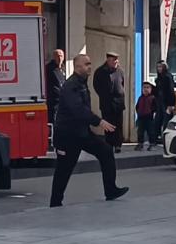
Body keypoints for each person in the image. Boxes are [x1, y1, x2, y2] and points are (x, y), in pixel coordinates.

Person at [49, 54, 130, 208]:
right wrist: (99, 121)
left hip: (82, 132)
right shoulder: (71, 85)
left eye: (90, 63)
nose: (90, 67)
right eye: (86, 64)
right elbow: (78, 110)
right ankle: (55, 202)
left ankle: (110, 190)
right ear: (77, 67)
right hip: (67, 135)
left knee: (106, 151)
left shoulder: (82, 83)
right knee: (64, 168)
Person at [93, 51, 126, 153]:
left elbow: (122, 84)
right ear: (108, 60)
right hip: (106, 103)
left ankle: (118, 145)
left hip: (118, 103)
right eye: (114, 60)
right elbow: (96, 86)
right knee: (108, 124)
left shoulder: (120, 71)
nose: (116, 62)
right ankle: (109, 144)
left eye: (117, 60)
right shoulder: (100, 71)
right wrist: (104, 96)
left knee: (118, 124)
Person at [153, 61, 176, 145]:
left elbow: (170, 91)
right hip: (159, 101)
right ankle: (156, 138)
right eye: (158, 67)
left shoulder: (167, 77)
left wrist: (171, 104)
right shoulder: (159, 78)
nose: (159, 69)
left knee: (166, 120)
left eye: (161, 67)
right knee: (158, 120)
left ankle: (166, 138)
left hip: (167, 102)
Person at [45, 49, 65, 126]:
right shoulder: (49, 68)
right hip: (53, 101)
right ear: (54, 57)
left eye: (61, 56)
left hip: (62, 101)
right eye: (58, 56)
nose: (59, 58)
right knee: (53, 120)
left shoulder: (63, 68)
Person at [135, 81, 157, 151]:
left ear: (151, 89)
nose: (146, 89)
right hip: (141, 117)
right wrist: (138, 113)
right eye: (144, 87)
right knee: (140, 132)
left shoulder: (153, 98)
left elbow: (155, 108)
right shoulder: (140, 98)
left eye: (148, 87)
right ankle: (140, 144)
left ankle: (152, 144)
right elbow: (137, 106)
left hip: (149, 117)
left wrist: (152, 114)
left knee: (151, 132)